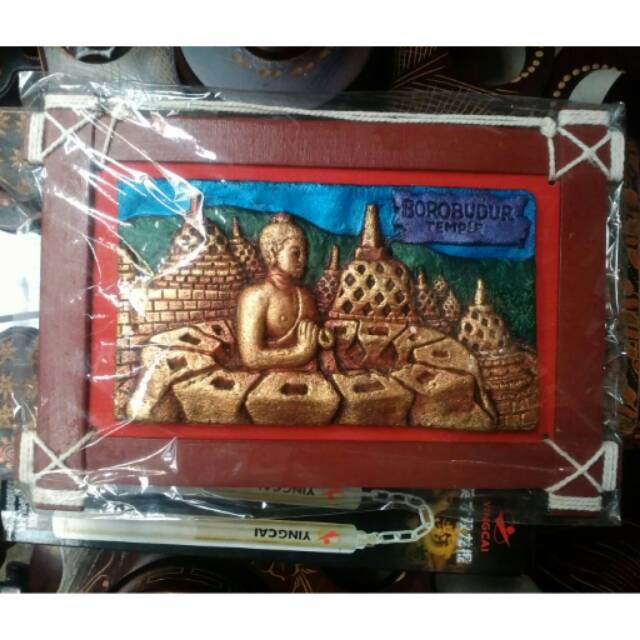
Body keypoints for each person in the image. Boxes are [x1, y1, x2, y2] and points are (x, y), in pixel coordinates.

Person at [236, 213, 320, 370]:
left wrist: (321, 338)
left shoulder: (305, 297)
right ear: (272, 253)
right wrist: (300, 353)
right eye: (295, 253)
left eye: (305, 253)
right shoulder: (255, 297)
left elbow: (313, 337)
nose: (303, 260)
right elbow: (251, 357)